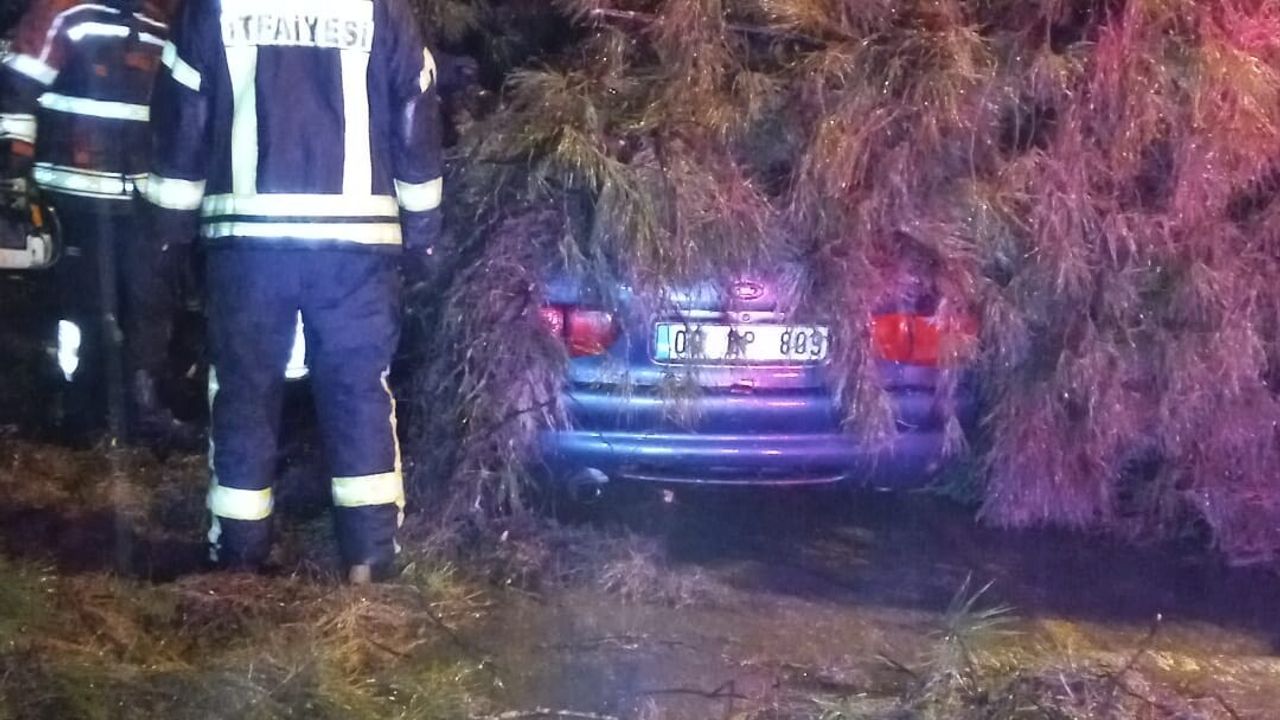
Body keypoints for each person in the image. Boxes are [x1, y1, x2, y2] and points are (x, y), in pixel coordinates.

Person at [144, 0, 444, 582]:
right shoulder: (382, 11)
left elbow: (182, 121)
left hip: (248, 245)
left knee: (243, 394)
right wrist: (423, 232)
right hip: (356, 247)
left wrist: (169, 234)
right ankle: (368, 559)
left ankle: (237, 556)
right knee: (358, 394)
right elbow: (415, 115)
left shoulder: (213, 8)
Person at [0, 0, 198, 447]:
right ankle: (75, 410)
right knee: (80, 309)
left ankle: (141, 408)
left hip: (136, 198)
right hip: (72, 196)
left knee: (148, 306)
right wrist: (14, 174)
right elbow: (16, 88)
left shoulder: (154, 25)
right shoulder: (64, 13)